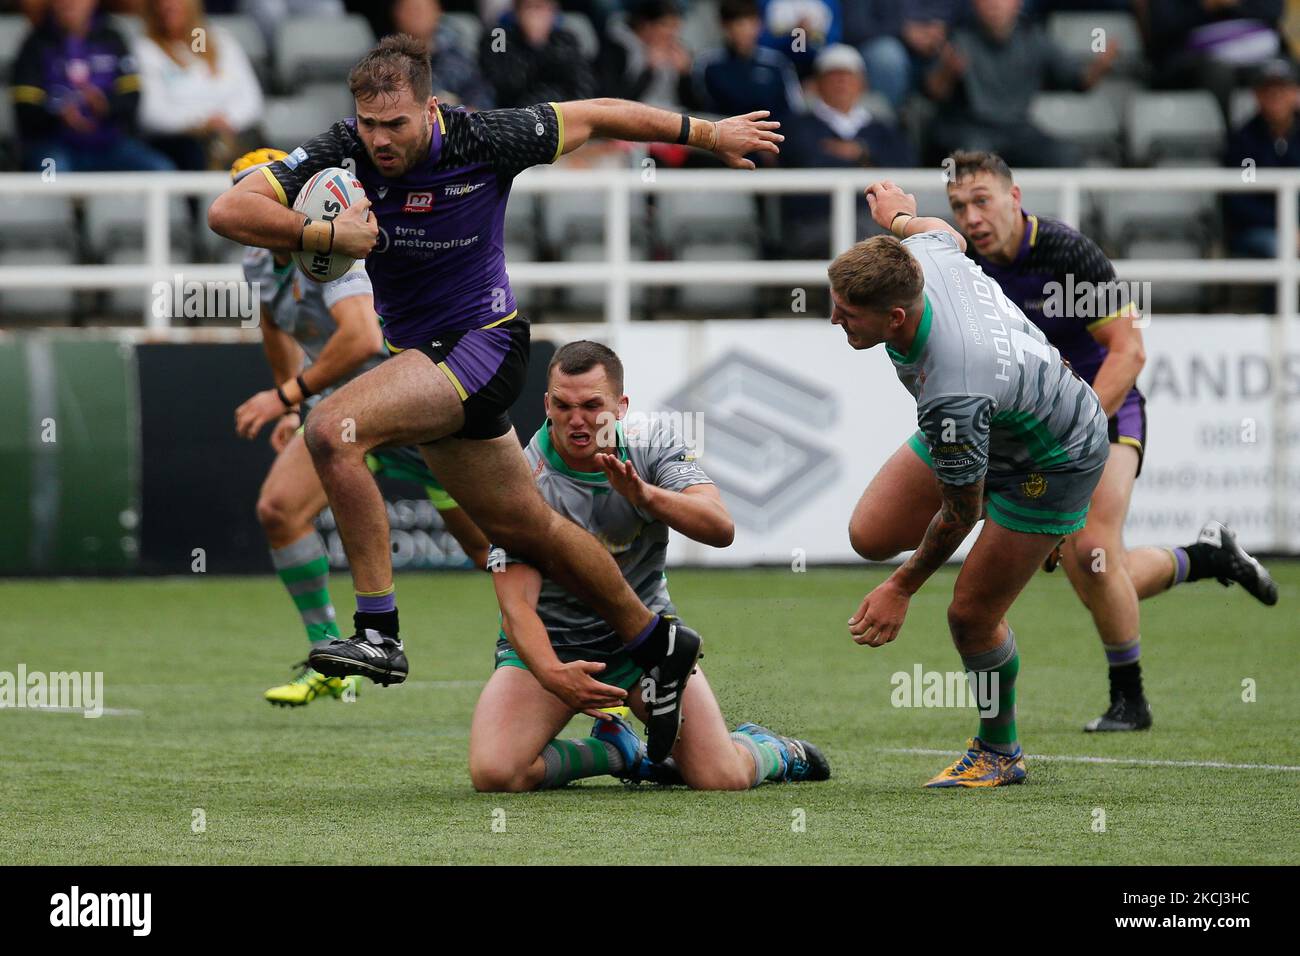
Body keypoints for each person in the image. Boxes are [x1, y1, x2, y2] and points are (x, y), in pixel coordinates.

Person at [207, 33, 782, 760]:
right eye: (369, 124)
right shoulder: (341, 149)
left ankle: (379, 632)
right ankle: (656, 640)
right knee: (530, 533)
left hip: (484, 342)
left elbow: (600, 113)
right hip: (425, 359)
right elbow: (229, 211)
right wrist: (323, 231)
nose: (380, 141)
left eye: (396, 125)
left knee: (331, 430)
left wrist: (707, 133)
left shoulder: (486, 136)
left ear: (430, 108)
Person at [942, 150, 1278, 731]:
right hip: (1034, 429)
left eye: (981, 200)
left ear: (1014, 198)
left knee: (1092, 553)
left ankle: (1132, 700)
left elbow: (1129, 351)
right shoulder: (969, 268)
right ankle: (1208, 557)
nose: (970, 217)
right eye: (957, 206)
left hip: (1109, 410)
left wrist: (1078, 436)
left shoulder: (1066, 254)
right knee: (1099, 569)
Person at [835, 180, 1111, 787]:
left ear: (897, 316)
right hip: (1001, 419)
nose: (834, 318)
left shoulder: (951, 390)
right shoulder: (925, 255)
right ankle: (1027, 537)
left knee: (969, 615)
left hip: (1053, 460)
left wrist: (901, 588)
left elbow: (958, 516)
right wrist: (899, 214)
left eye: (847, 313)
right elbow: (944, 233)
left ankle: (999, 751)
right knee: (870, 533)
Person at [469, 341, 830, 791]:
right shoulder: (521, 479)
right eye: (562, 405)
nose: (576, 420)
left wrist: (645, 496)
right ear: (546, 404)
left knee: (721, 778)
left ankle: (774, 750)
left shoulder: (651, 442)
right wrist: (551, 673)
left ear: (621, 406)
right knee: (496, 773)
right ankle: (615, 751)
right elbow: (516, 606)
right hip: (553, 648)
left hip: (648, 647)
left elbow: (720, 528)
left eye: (591, 406)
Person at [225, 149, 491, 707]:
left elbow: (362, 338)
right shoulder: (255, 258)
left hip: (405, 404)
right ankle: (333, 659)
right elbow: (275, 323)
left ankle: (580, 640)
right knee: (279, 510)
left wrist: (285, 395)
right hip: (339, 418)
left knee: (491, 550)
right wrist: (295, 403)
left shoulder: (336, 247)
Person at [925, 0, 1114, 167]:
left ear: (1018, 3)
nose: (995, 4)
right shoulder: (958, 39)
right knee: (973, 160)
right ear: (974, 3)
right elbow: (934, 92)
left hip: (1017, 131)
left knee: (1066, 156)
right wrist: (947, 71)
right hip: (971, 129)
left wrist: (1100, 67)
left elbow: (1079, 81)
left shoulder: (1035, 39)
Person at [779, 44, 916, 257]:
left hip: (875, 223)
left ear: (863, 83)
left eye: (848, 75)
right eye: (833, 76)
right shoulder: (796, 127)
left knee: (884, 245)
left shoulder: (883, 128)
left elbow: (904, 167)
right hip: (814, 224)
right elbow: (807, 164)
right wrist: (868, 162)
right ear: (817, 84)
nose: (841, 82)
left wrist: (861, 152)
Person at [10, 0, 175, 172]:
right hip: (53, 145)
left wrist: (105, 104)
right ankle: (65, 197)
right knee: (51, 175)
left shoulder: (112, 38)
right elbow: (24, 107)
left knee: (160, 168)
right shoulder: (35, 44)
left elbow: (132, 96)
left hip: (109, 145)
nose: (69, 4)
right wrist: (59, 115)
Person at [133, 0, 264, 170]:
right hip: (182, 142)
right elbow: (151, 113)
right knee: (197, 151)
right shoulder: (146, 49)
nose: (168, 5)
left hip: (233, 133)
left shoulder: (222, 40)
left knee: (262, 153)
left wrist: (227, 120)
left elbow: (251, 99)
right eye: (160, 2)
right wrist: (202, 122)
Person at [1224, 57, 1300, 259]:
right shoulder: (1244, 142)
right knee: (1279, 247)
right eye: (1268, 90)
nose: (1275, 96)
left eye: (1282, 88)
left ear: (1295, 93)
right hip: (1261, 228)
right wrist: (1286, 225)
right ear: (1257, 95)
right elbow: (1242, 199)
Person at [690, 0, 804, 120]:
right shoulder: (707, 64)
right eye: (739, 24)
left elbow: (795, 108)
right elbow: (699, 108)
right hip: (724, 134)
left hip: (772, 135)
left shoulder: (778, 63)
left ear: (760, 25)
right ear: (725, 26)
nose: (746, 31)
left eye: (751, 23)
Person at [478, 0, 595, 108]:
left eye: (546, 9)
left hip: (561, 114)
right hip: (514, 116)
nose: (539, 16)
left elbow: (583, 86)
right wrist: (535, 43)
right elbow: (506, 83)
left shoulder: (566, 39)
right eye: (532, 8)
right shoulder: (498, 36)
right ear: (518, 12)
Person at [391, 0, 495, 110]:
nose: (417, 15)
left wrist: (462, 110)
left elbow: (481, 94)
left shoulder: (456, 55)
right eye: (410, 10)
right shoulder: (386, 60)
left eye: (422, 9)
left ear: (438, 12)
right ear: (397, 14)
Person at [599, 0, 693, 109]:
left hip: (672, 114)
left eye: (675, 27)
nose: (672, 33)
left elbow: (694, 105)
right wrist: (649, 71)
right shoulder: (616, 50)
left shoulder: (677, 50)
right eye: (665, 25)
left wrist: (685, 75)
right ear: (645, 25)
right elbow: (613, 101)